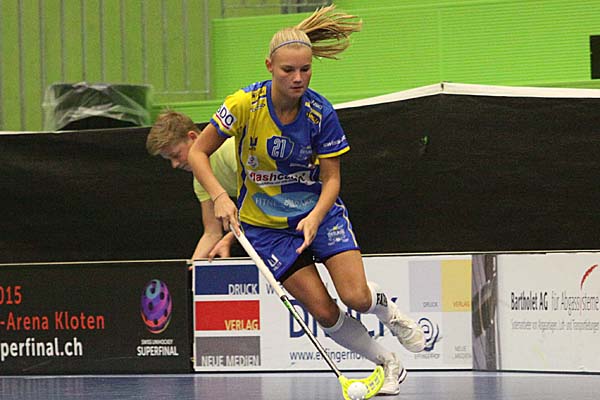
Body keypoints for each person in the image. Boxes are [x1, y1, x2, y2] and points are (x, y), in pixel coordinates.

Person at [188, 5, 425, 395]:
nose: (297, 78)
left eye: (305, 70)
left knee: (355, 296)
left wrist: (315, 216)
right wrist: (219, 197)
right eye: (288, 70)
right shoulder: (243, 105)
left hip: (318, 215)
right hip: (267, 229)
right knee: (324, 310)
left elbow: (332, 179)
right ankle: (387, 362)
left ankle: (389, 312)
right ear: (269, 66)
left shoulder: (320, 113)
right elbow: (198, 151)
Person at [146, 111, 238, 260]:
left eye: (176, 155)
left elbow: (264, 205)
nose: (174, 164)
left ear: (193, 137)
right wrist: (191, 267)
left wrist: (229, 239)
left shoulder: (229, 150)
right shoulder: (199, 179)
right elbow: (212, 233)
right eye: (169, 159)